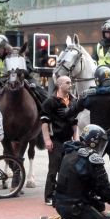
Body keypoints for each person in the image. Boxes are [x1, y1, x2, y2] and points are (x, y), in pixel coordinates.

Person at [40, 75, 78, 206]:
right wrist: (47, 140)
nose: (70, 85)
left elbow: (74, 123)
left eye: (71, 82)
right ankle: (49, 196)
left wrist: (76, 139)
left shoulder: (73, 100)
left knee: (67, 169)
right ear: (60, 85)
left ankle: (63, 194)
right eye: (68, 83)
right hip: (56, 140)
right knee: (54, 168)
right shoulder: (50, 101)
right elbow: (44, 122)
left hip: (69, 141)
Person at [0, 34, 47, 105]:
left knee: (41, 92)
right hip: (2, 81)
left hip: (22, 78)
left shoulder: (17, 52)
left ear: (5, 47)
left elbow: (29, 67)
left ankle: (45, 114)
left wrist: (21, 73)